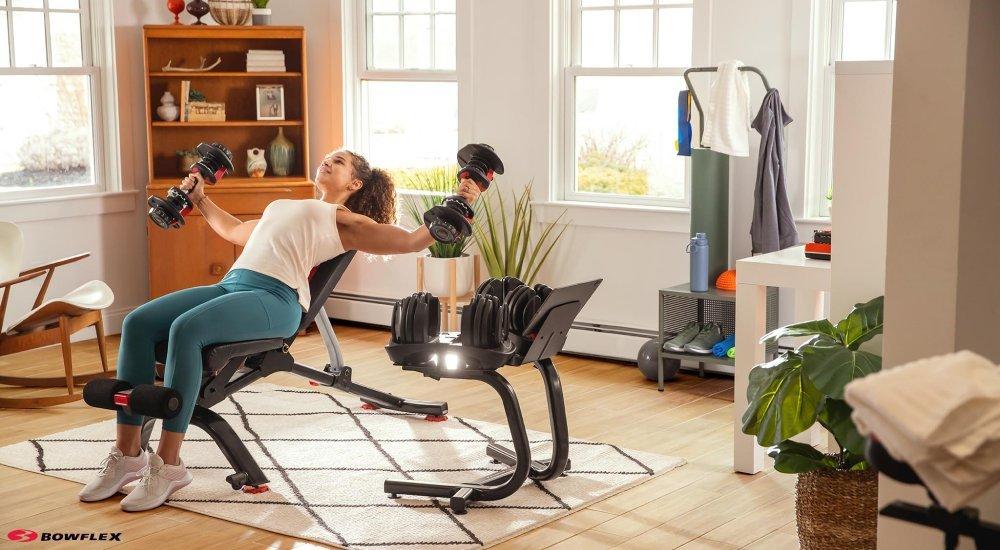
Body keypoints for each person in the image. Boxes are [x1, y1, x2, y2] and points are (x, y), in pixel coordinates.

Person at [79, 150, 482, 511]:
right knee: (137, 323)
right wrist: (200, 199)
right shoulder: (284, 206)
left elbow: (410, 241)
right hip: (233, 286)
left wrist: (463, 202)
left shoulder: (343, 220)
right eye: (329, 157)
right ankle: (127, 453)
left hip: (276, 299)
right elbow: (237, 232)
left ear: (354, 184)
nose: (328, 161)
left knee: (187, 329)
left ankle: (168, 466)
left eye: (338, 162)